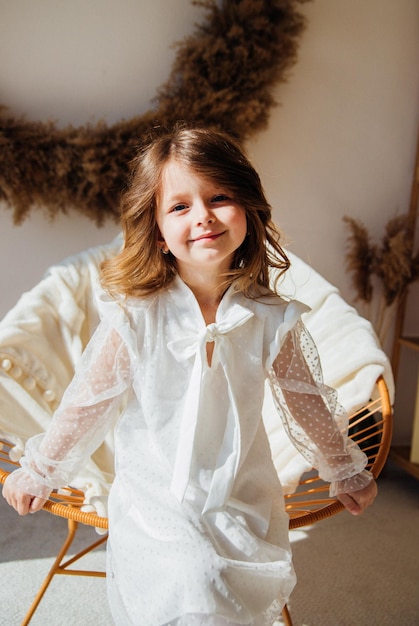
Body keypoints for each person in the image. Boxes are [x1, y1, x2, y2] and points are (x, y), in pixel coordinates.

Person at [3, 124, 377, 626]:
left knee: (221, 579)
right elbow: (89, 402)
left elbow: (302, 398)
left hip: (240, 493)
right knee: (193, 574)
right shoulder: (137, 315)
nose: (202, 217)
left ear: (248, 208)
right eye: (179, 206)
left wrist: (342, 467)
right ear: (158, 231)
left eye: (219, 197)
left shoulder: (270, 317)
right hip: (154, 497)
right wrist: (43, 470)